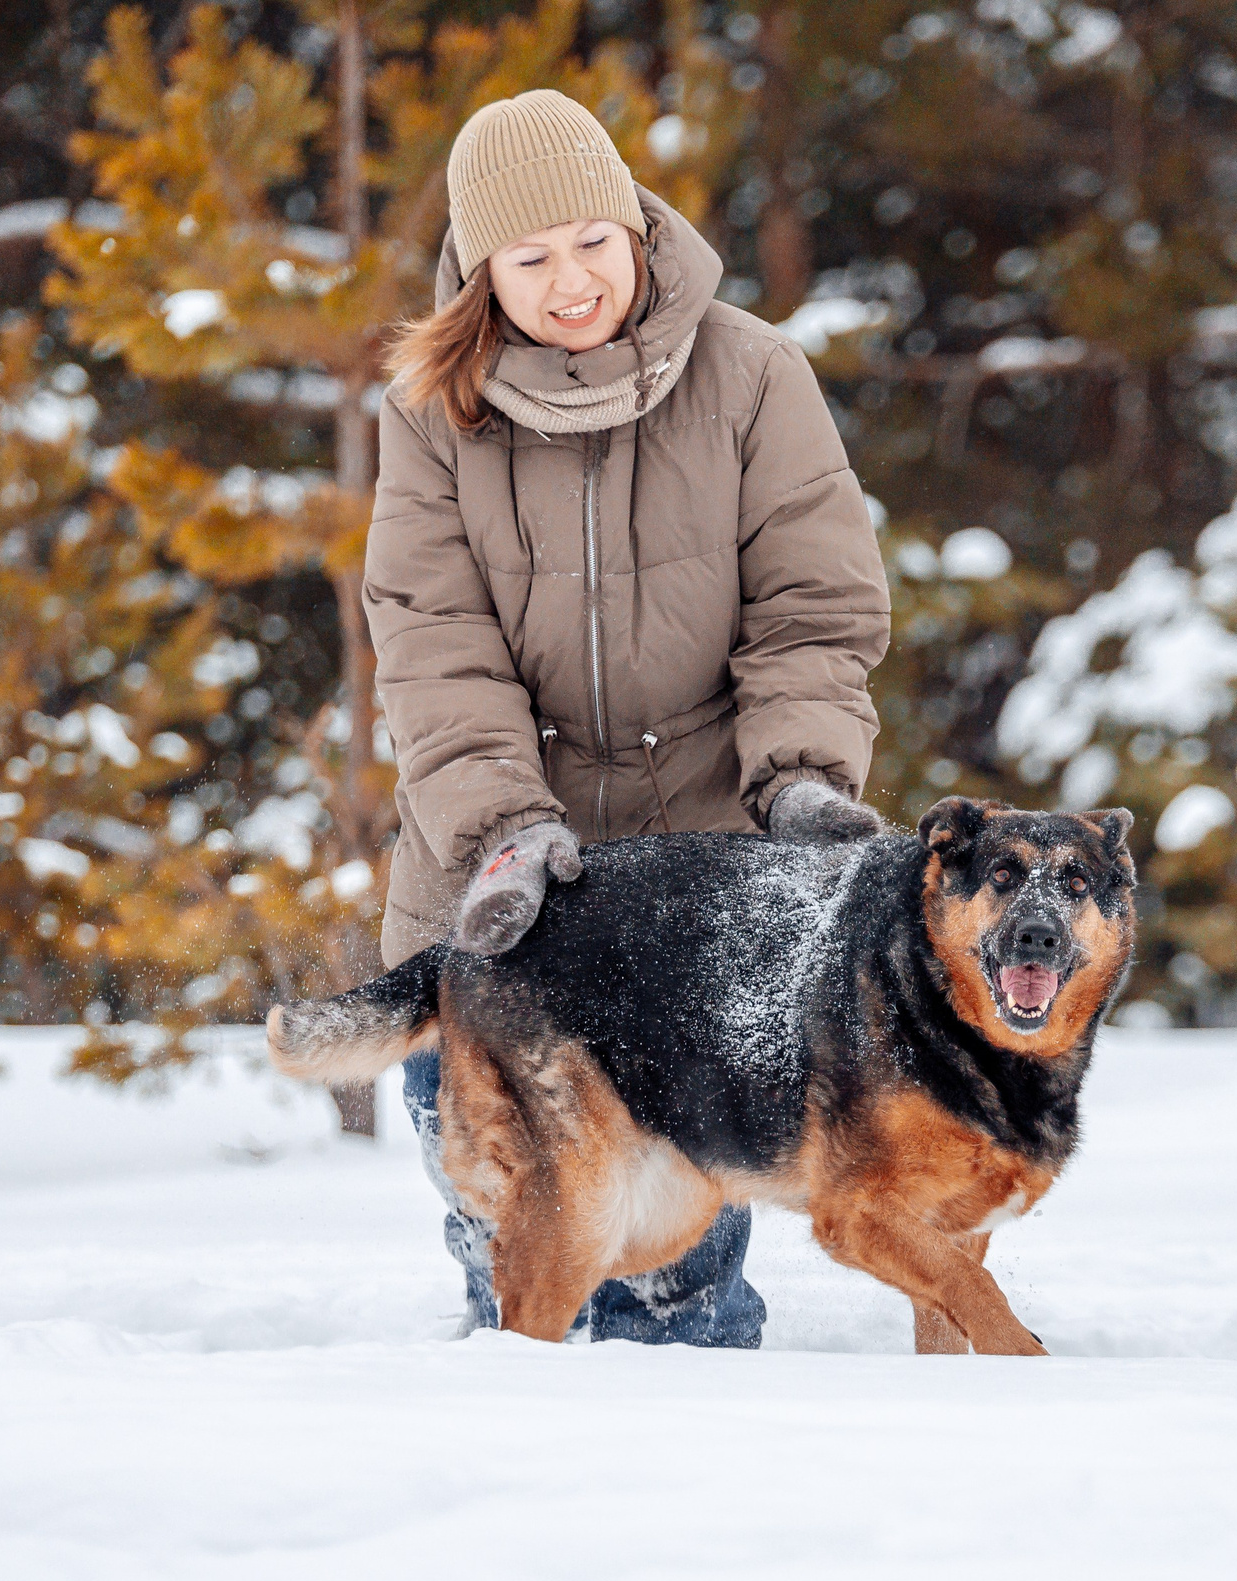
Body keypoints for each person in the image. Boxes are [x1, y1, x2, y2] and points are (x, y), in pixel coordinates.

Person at [366, 90, 890, 1345]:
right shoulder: (433, 413)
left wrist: (801, 778)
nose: (571, 280)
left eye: (592, 240)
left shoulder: (754, 375)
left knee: (678, 1273)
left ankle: (687, 1507)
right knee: (518, 1250)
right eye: (530, 258)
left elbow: (812, 609)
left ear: (639, 228)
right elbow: (435, 646)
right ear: (481, 273)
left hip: (696, 897)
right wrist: (501, 824)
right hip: (492, 899)